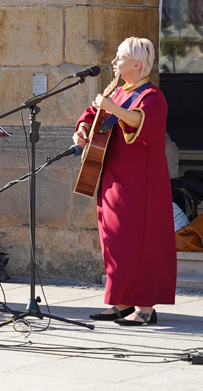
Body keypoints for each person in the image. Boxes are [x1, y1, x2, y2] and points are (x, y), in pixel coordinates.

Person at [73, 37, 176, 326]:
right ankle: (121, 302)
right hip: (112, 177)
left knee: (140, 243)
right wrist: (82, 129)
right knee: (114, 242)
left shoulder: (152, 96)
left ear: (137, 65)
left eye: (119, 58)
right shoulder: (118, 92)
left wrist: (112, 107)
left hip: (140, 184)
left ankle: (144, 308)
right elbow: (93, 113)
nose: (114, 62)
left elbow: (141, 124)